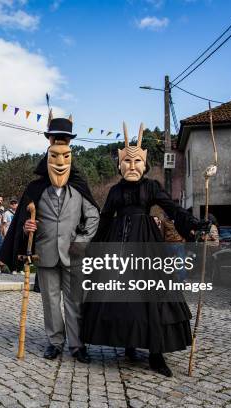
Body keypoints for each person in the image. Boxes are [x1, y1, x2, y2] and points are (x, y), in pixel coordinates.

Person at [80, 122, 208, 377]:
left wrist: (193, 225)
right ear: (119, 164)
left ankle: (156, 354)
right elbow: (105, 219)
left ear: (145, 164)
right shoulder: (115, 190)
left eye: (137, 161)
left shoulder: (151, 187)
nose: (132, 166)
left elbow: (172, 209)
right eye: (127, 161)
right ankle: (128, 344)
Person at [0, 113, 100, 363]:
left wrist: (81, 242)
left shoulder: (78, 185)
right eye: (56, 138)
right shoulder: (36, 188)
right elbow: (24, 219)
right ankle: (55, 342)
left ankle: (77, 345)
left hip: (73, 254)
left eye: (64, 139)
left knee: (75, 302)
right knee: (50, 303)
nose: (60, 142)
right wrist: (26, 227)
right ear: (49, 141)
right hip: (45, 253)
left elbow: (93, 217)